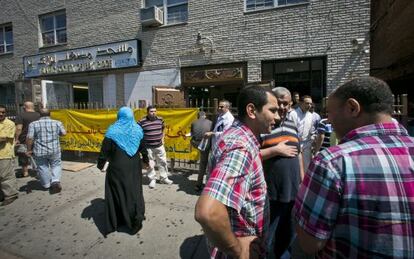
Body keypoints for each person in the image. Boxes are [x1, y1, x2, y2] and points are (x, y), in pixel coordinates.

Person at [293, 76, 414, 258]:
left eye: (330, 112)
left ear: (352, 108)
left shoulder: (332, 162)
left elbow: (310, 242)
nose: (328, 120)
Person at [195, 86, 279, 259]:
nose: (277, 117)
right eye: (273, 110)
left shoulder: (237, 135)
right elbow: (208, 212)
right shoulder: (241, 147)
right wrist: (238, 250)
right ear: (251, 111)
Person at [260, 87, 304, 258]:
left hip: (293, 192)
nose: (283, 107)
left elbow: (298, 154)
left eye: (286, 103)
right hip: (272, 194)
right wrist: (276, 150)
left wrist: (302, 181)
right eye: (279, 103)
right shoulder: (264, 127)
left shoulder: (293, 125)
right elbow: (252, 155)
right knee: (268, 236)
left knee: (288, 235)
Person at [97, 107, 149, 236]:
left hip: (117, 167)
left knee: (117, 191)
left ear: (119, 116)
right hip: (134, 166)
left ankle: (117, 221)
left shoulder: (112, 131)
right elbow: (143, 148)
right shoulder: (137, 129)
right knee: (134, 191)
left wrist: (100, 164)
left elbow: (105, 151)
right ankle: (135, 219)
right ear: (131, 117)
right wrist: (146, 161)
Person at [26, 108, 66, 194]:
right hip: (54, 149)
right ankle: (55, 181)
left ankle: (47, 184)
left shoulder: (33, 124)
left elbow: (30, 138)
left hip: (40, 150)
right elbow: (63, 133)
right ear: (50, 114)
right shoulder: (57, 123)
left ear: (39, 115)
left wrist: (29, 150)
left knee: (42, 166)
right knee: (56, 165)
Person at [139, 105, 173, 189]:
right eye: (151, 111)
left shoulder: (160, 119)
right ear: (147, 112)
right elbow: (138, 132)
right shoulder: (142, 121)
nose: (153, 113)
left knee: (163, 162)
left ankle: (164, 178)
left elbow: (163, 128)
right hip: (148, 147)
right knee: (150, 163)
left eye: (155, 111)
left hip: (159, 145)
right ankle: (152, 179)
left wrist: (162, 138)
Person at [289, 95, 315, 170]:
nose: (309, 105)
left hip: (307, 144)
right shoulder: (293, 114)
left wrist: (313, 139)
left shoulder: (310, 115)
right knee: (296, 166)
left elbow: (311, 130)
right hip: (295, 143)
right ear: (301, 103)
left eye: (310, 104)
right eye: (307, 103)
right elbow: (291, 130)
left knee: (307, 166)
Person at [15, 101, 40, 177]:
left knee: (23, 154)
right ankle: (38, 171)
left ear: (24, 107)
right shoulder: (39, 115)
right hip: (37, 138)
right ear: (33, 107)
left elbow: (19, 128)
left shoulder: (21, 115)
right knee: (37, 155)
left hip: (24, 139)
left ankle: (25, 172)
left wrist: (16, 138)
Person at [0, 105, 19, 206]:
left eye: (3, 112)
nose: (1, 114)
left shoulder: (9, 123)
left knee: (5, 175)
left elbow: (4, 138)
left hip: (4, 153)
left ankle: (11, 195)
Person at [190, 111, 212, 192]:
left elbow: (192, 134)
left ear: (198, 116)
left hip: (197, 144)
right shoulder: (210, 122)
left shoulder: (194, 122)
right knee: (204, 164)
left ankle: (200, 183)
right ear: (205, 116)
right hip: (207, 145)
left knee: (203, 163)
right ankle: (199, 184)